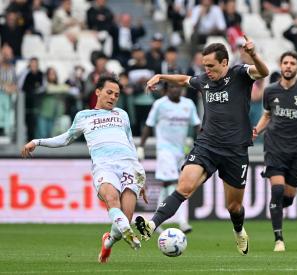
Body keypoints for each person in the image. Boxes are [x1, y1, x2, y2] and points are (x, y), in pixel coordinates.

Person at [135, 38, 269, 255]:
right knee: (184, 187)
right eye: (204, 66)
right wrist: (161, 76)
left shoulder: (239, 74)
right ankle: (152, 225)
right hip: (207, 145)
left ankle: (238, 231)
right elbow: (185, 79)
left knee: (234, 207)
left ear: (224, 63)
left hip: (235, 151)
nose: (207, 71)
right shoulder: (204, 81)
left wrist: (253, 54)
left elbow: (264, 72)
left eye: (211, 66)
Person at [21, 74, 146, 263]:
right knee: (112, 199)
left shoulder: (122, 114)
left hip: (129, 166)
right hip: (104, 166)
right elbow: (65, 138)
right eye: (109, 92)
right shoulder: (84, 116)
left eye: (117, 94)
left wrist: (139, 174)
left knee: (125, 219)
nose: (113, 97)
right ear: (98, 92)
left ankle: (108, 242)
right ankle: (127, 233)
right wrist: (38, 141)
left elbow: (130, 143)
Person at [252, 51, 297, 252]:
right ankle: (279, 239)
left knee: (288, 197)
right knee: (277, 190)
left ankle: (276, 208)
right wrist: (256, 130)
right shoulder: (270, 91)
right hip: (274, 148)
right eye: (285, 62)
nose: (288, 66)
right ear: (280, 64)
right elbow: (267, 115)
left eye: (292, 63)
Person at [137, 82, 201, 233]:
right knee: (176, 183)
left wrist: (202, 143)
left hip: (181, 151)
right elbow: (149, 125)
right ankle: (183, 222)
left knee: (166, 186)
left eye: (178, 86)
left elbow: (197, 125)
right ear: (166, 90)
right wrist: (141, 146)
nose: (176, 89)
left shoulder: (189, 104)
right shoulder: (159, 105)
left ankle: (155, 222)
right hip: (164, 149)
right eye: (172, 87)